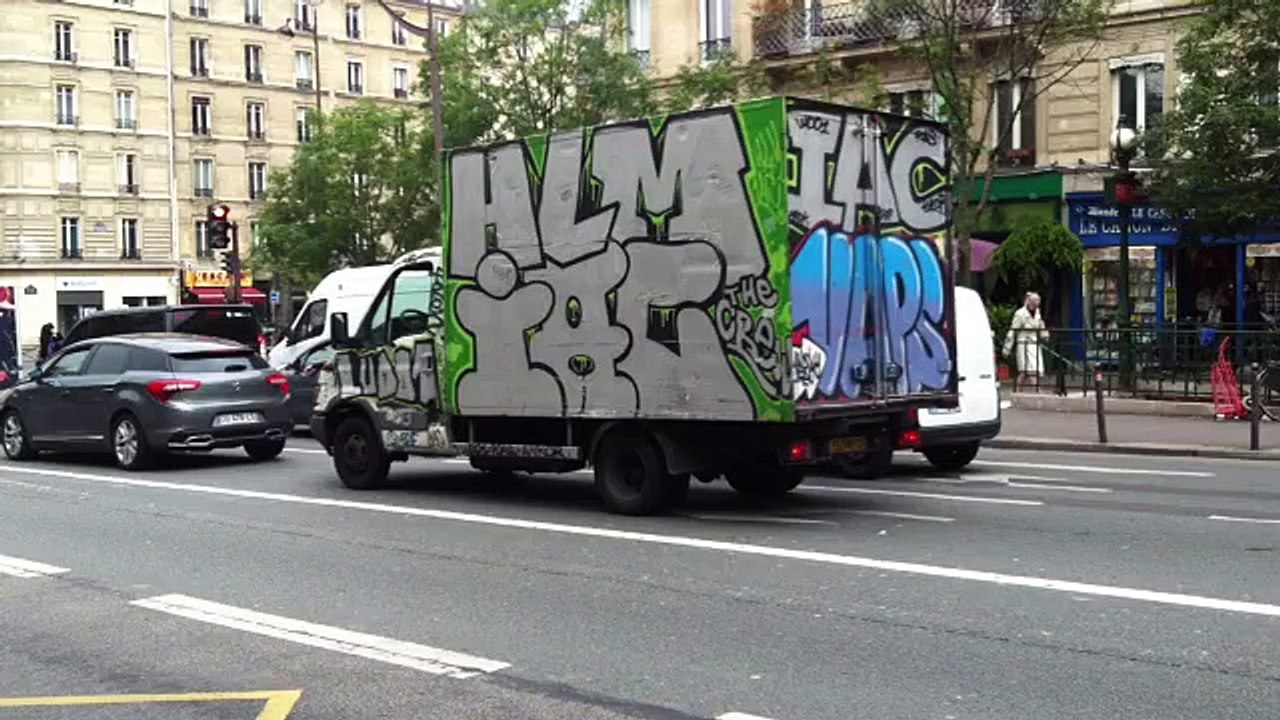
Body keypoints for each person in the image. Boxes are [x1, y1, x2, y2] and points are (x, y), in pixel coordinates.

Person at [1004, 292, 1047, 388]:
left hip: (1034, 344)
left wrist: (1044, 335)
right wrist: (1007, 348)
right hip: (1023, 344)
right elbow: (1013, 331)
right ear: (1029, 302)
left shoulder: (1037, 313)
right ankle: (1037, 392)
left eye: (1037, 304)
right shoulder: (1020, 314)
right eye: (1033, 303)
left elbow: (1041, 325)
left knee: (1035, 369)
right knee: (1027, 371)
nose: (1035, 306)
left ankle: (1019, 391)